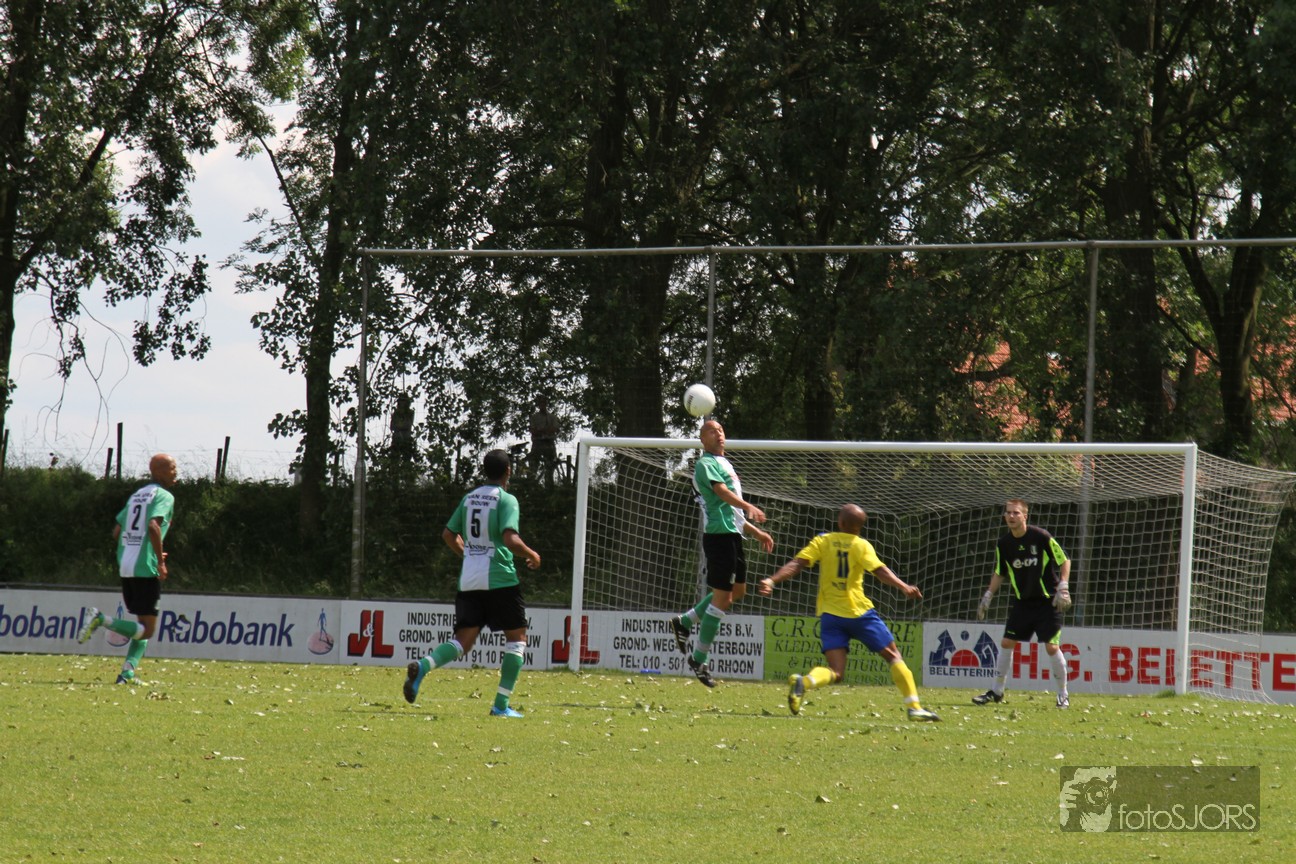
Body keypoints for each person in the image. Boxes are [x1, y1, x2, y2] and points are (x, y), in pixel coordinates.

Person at [757, 504, 940, 721]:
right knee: (893, 656)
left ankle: (804, 683)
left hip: (831, 616)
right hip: (860, 613)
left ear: (840, 522)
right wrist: (903, 586)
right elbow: (880, 571)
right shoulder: (861, 545)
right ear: (860, 527)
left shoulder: (823, 541)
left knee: (836, 672)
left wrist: (772, 580)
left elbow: (797, 564)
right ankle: (914, 707)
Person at [403, 449, 541, 717]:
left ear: (484, 470)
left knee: (462, 641)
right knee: (517, 639)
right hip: (500, 579)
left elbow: (448, 534)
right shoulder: (507, 499)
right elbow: (510, 539)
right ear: (508, 471)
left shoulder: (469, 498)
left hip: (469, 579)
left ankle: (423, 666)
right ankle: (500, 705)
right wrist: (532, 554)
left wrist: (467, 555)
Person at [669, 419, 774, 687]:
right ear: (702, 440)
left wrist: (756, 532)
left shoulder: (725, 463)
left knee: (737, 592)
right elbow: (721, 492)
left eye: (721, 430)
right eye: (711, 431)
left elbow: (733, 511)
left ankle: (685, 622)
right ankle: (699, 659)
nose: (718, 433)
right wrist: (749, 505)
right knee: (722, 598)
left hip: (732, 535)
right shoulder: (705, 464)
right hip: (718, 536)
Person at [77, 453, 178, 684]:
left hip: (126, 565)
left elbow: (116, 532)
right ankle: (100, 619)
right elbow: (153, 526)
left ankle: (127, 673)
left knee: (142, 625)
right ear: (159, 471)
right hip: (145, 567)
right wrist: (159, 560)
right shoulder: (164, 496)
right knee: (148, 629)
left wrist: (138, 548)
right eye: (172, 467)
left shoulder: (137, 495)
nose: (176, 472)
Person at [973, 497, 1073, 708]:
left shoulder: (1041, 536)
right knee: (1006, 643)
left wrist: (1063, 586)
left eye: (1016, 512)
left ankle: (1063, 694)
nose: (1011, 516)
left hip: (1048, 602)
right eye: (1008, 512)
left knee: (1051, 647)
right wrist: (988, 595)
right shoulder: (1004, 544)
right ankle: (997, 691)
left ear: (1025, 516)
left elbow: (1064, 560)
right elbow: (1000, 572)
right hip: (1023, 602)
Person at [528, 395, 560, 485]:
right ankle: (531, 484)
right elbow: (533, 430)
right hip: (537, 443)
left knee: (550, 466)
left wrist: (541, 431)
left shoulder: (552, 417)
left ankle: (549, 486)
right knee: (533, 465)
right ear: (538, 405)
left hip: (549, 443)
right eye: (541, 403)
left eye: (544, 403)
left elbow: (555, 429)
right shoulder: (534, 417)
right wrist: (545, 431)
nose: (542, 405)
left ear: (546, 404)